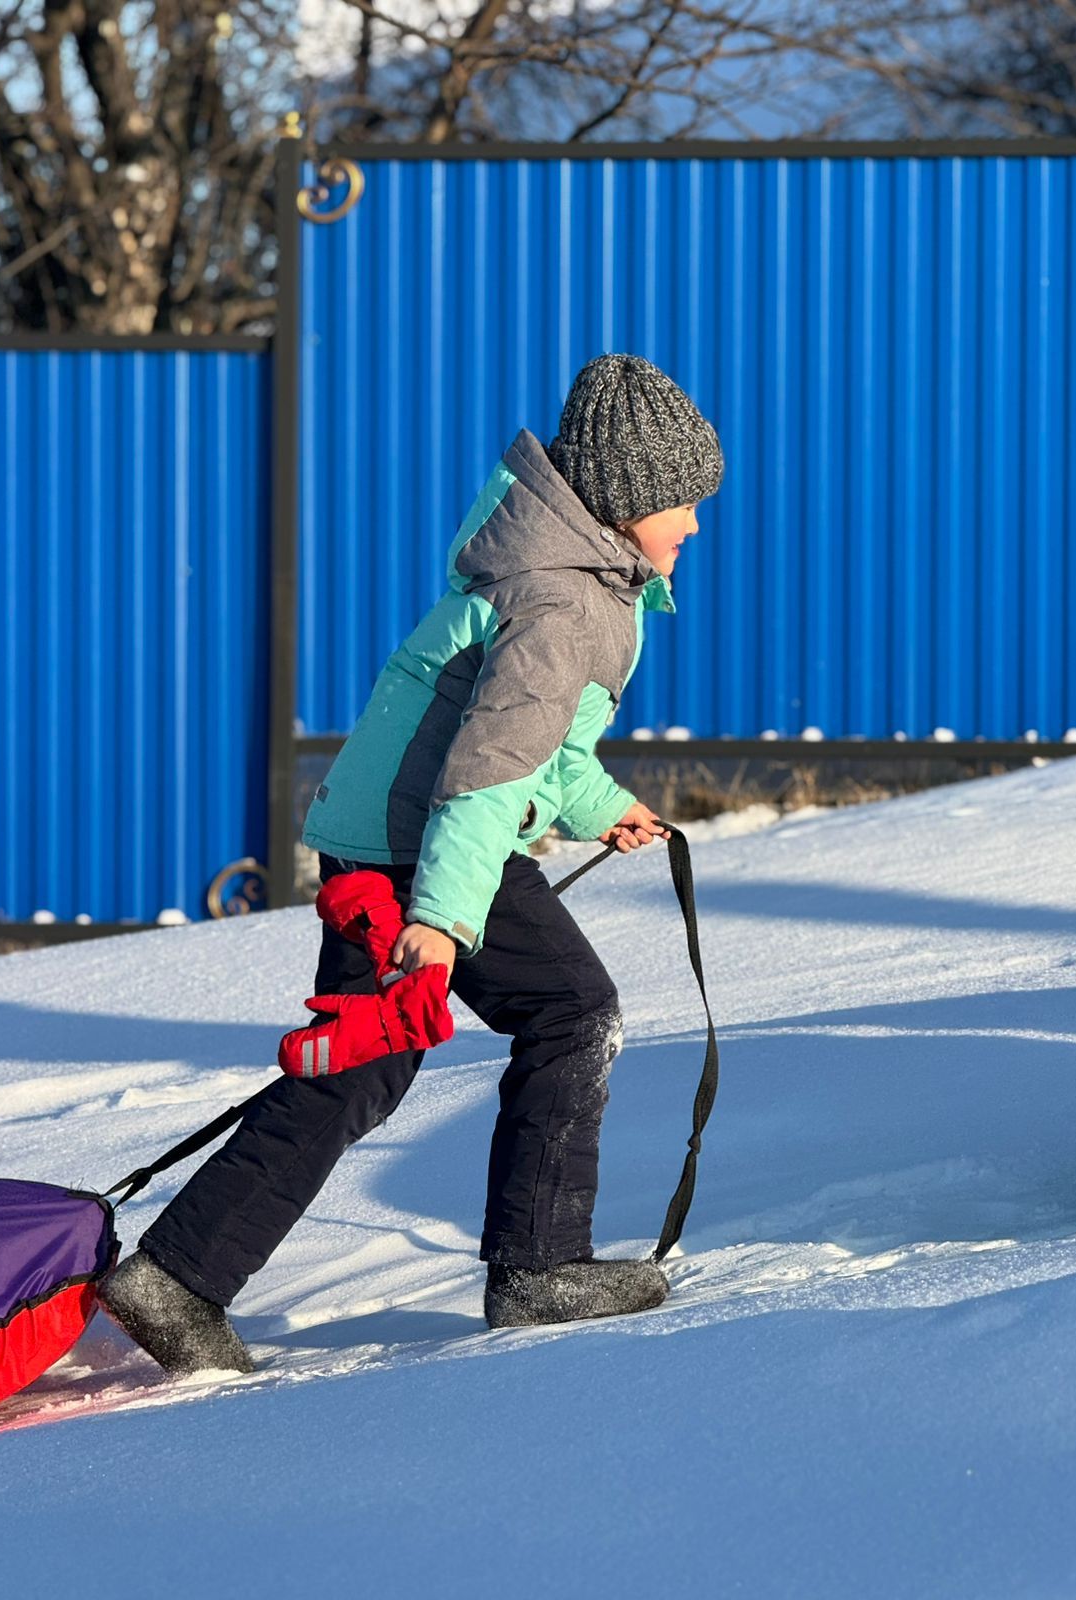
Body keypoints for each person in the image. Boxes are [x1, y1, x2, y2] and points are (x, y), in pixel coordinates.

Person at [100, 353, 724, 1374]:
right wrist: (440, 921)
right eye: (681, 505)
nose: (694, 526)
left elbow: (545, 749)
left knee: (364, 1065)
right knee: (570, 1009)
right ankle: (535, 1266)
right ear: (624, 502)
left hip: (400, 840)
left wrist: (603, 806)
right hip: (422, 849)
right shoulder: (563, 602)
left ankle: (179, 1277)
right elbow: (483, 775)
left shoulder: (565, 574)